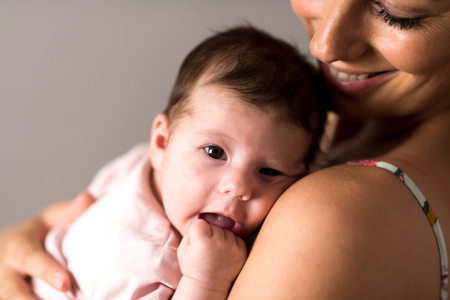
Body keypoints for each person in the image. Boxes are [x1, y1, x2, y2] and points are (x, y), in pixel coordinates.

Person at [1, 0, 450, 299]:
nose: (325, 45)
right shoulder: (304, 125)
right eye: (215, 153)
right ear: (162, 141)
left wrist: (203, 281)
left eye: (398, 11)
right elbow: (75, 210)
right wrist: (24, 241)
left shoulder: (334, 214)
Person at [25, 25, 326, 300]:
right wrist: (205, 281)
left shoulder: (138, 164)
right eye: (214, 152)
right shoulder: (148, 267)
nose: (239, 187)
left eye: (269, 171)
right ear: (161, 143)